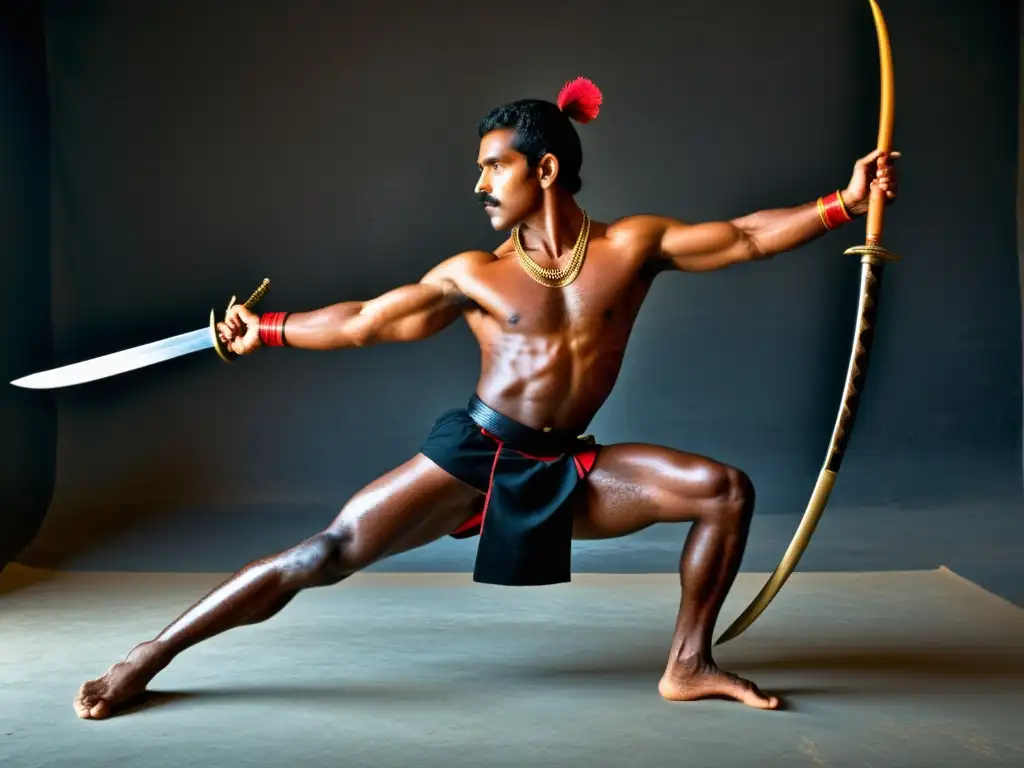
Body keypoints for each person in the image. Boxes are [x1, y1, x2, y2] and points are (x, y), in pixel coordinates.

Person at [74, 76, 899, 719]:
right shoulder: (475, 275)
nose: (479, 184)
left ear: (544, 167)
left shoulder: (630, 247)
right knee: (320, 555)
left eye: (492, 165)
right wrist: (273, 329)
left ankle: (689, 664)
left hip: (569, 466)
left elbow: (748, 235)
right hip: (477, 455)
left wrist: (843, 205)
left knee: (724, 491)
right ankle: (147, 656)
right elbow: (366, 321)